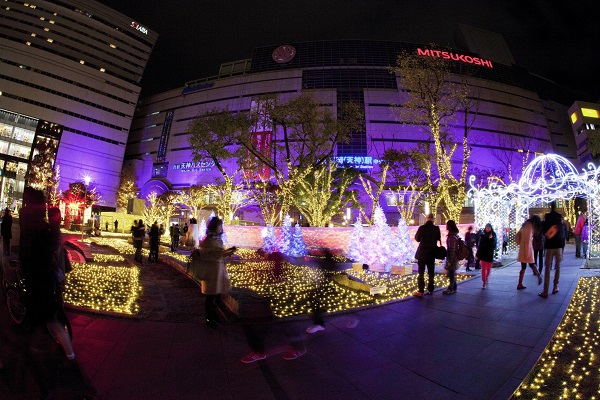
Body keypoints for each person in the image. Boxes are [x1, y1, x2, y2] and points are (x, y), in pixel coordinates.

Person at [199, 217, 235, 328]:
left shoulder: (218, 239)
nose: (221, 228)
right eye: (219, 225)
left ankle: (214, 316)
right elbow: (208, 255)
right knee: (210, 296)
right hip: (211, 271)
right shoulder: (208, 240)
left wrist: (228, 251)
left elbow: (219, 253)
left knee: (217, 295)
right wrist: (224, 253)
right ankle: (209, 319)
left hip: (219, 270)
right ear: (215, 227)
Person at [412, 213, 441, 297]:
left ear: (427, 218)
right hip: (432, 253)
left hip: (422, 253)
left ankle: (421, 291)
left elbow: (417, 239)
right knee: (431, 272)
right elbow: (438, 238)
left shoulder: (422, 228)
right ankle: (430, 289)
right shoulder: (436, 228)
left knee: (421, 272)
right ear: (433, 219)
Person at [539, 201, 564, 298]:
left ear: (550, 206)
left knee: (547, 268)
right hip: (558, 245)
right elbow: (562, 232)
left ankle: (545, 291)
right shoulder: (559, 217)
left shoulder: (547, 217)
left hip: (549, 245)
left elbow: (543, 231)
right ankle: (555, 286)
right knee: (557, 266)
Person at [516, 216, 542, 290]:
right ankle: (538, 275)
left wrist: (519, 242)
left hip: (523, 248)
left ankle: (520, 283)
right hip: (527, 249)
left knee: (524, 267)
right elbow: (527, 240)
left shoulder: (525, 225)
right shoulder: (530, 227)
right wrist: (527, 253)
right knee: (531, 263)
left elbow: (518, 235)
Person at [476, 223, 496, 288]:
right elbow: (480, 246)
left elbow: (494, 246)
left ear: (491, 228)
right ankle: (484, 281)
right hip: (483, 254)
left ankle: (487, 277)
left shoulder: (493, 235)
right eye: (487, 227)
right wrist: (477, 254)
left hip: (489, 254)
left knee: (488, 269)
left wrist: (491, 239)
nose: (488, 228)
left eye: (489, 227)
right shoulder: (482, 236)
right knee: (483, 269)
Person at [443, 220, 460, 295]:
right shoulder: (454, 235)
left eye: (447, 225)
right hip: (454, 257)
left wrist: (449, 260)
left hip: (452, 258)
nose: (446, 226)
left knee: (451, 273)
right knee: (452, 272)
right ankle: (454, 287)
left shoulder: (452, 237)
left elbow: (452, 249)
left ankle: (451, 288)